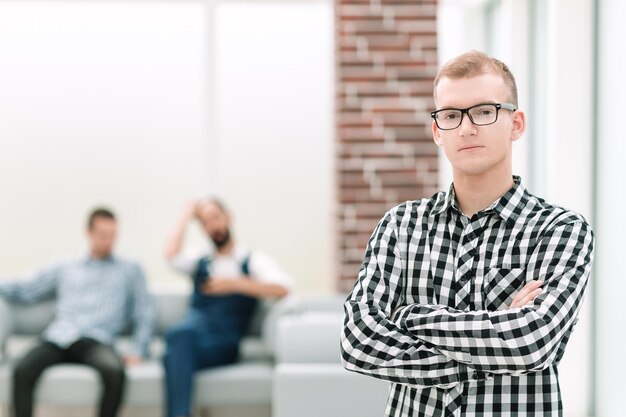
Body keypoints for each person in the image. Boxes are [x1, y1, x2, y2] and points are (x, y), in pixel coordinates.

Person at [340, 50, 595, 417]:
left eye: (484, 111)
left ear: (516, 123)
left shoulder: (559, 230)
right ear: (437, 131)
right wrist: (496, 342)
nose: (466, 127)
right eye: (450, 115)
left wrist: (410, 316)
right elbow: (358, 341)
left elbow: (530, 342)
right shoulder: (400, 225)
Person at [0, 208, 156, 417]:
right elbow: (27, 288)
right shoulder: (67, 266)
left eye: (112, 235)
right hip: (59, 338)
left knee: (114, 372)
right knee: (22, 370)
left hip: (97, 341)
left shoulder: (130, 269)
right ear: (89, 233)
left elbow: (145, 311)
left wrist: (139, 348)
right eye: (102, 235)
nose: (108, 241)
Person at [163, 198, 292, 417]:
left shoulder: (252, 261)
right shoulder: (200, 260)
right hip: (192, 337)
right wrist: (187, 214)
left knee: (175, 345)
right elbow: (171, 256)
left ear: (228, 217)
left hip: (223, 343)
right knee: (178, 341)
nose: (213, 226)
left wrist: (234, 283)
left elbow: (283, 288)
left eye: (215, 217)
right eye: (204, 222)